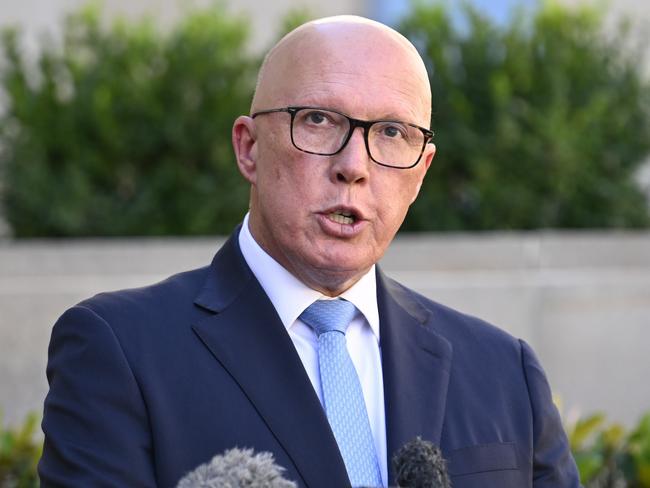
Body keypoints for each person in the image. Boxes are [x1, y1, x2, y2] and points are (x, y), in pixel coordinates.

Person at [38, 15, 580, 488]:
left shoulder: (504, 372)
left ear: (420, 174)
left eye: (391, 132)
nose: (354, 165)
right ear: (249, 148)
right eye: (319, 120)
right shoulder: (119, 350)